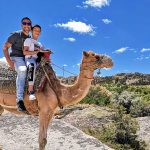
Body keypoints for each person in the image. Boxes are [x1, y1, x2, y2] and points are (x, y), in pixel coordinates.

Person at [3, 17, 32, 112]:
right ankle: (19, 100)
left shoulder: (29, 38)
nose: (26, 25)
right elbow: (5, 47)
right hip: (16, 58)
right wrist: (9, 62)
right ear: (21, 24)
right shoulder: (16, 35)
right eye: (24, 23)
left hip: (26, 58)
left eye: (28, 23)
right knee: (23, 70)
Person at [23, 24, 43, 100]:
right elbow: (25, 52)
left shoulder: (40, 44)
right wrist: (35, 52)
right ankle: (30, 90)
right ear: (31, 31)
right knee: (31, 66)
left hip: (38, 60)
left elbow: (41, 54)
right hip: (30, 59)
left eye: (39, 31)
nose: (37, 32)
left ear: (40, 32)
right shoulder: (28, 40)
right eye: (35, 30)